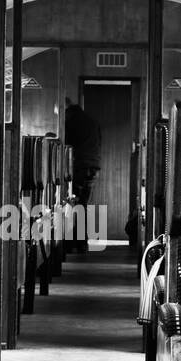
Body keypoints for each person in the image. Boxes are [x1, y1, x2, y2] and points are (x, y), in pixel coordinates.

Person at [64, 96, 102, 252]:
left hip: (80, 166)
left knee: (74, 205)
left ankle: (76, 242)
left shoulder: (72, 121)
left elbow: (66, 142)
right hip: (92, 166)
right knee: (83, 205)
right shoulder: (91, 121)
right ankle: (80, 241)